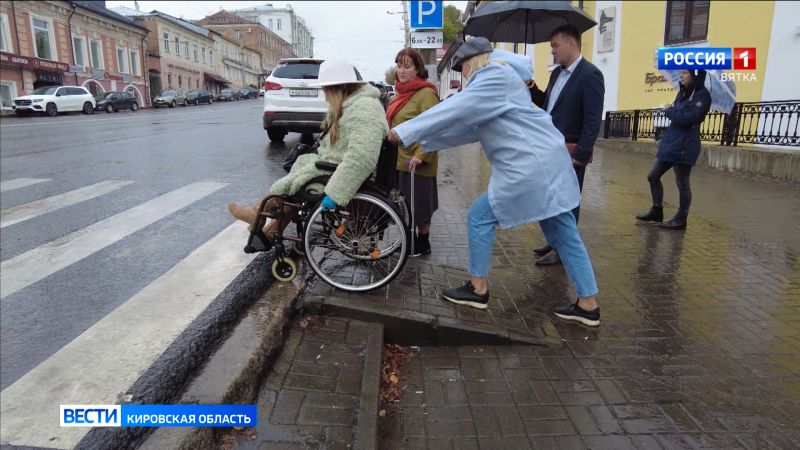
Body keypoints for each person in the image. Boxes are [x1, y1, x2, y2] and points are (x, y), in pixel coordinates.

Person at [388, 37, 602, 326]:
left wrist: (407, 130)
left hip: (530, 168)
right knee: (563, 231)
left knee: (479, 217)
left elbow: (458, 108)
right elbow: (470, 128)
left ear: (473, 61)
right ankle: (588, 304)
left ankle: (478, 289)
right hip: (544, 165)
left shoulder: (494, 76)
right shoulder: (500, 79)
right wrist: (424, 140)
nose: (462, 72)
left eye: (462, 65)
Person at [228, 60, 388, 240]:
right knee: (296, 183)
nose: (325, 96)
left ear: (336, 88)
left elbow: (362, 157)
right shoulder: (355, 105)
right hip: (334, 166)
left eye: (326, 90)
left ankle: (257, 214)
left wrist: (336, 193)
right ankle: (266, 226)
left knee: (297, 184)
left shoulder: (363, 109)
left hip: (344, 175)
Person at [528, 25, 605, 266]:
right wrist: (530, 86)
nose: (552, 51)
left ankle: (563, 252)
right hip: (550, 150)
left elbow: (592, 121)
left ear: (572, 44)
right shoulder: (555, 74)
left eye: (555, 46)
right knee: (550, 199)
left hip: (571, 153)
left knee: (568, 203)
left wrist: (580, 155)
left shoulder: (590, 74)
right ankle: (554, 242)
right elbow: (546, 105)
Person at [636, 69, 710, 230]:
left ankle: (681, 219)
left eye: (685, 73)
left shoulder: (702, 96)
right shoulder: (682, 93)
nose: (681, 76)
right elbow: (680, 113)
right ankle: (657, 210)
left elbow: (687, 118)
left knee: (682, 183)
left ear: (694, 75)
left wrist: (669, 110)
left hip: (685, 145)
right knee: (653, 176)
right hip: (672, 142)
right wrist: (673, 109)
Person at [387, 48, 440, 256]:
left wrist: (421, 155)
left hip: (417, 161)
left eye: (407, 66)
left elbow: (433, 127)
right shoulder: (400, 93)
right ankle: (410, 241)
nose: (401, 70)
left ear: (418, 69)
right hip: (401, 159)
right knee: (407, 205)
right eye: (399, 66)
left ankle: (422, 243)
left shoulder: (426, 93)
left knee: (420, 206)